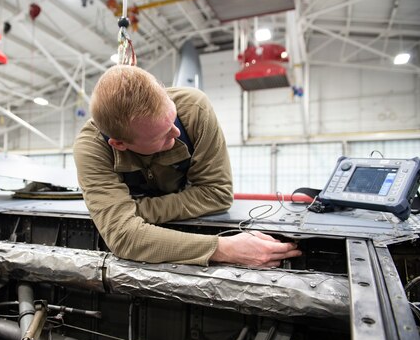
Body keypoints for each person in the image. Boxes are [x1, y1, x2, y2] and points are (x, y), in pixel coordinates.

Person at [73, 65, 301, 267]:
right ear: (120, 144)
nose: (176, 132)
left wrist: (135, 212)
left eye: (172, 118)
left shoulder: (195, 110)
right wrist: (225, 248)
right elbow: (124, 237)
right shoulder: (91, 148)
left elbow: (217, 194)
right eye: (160, 136)